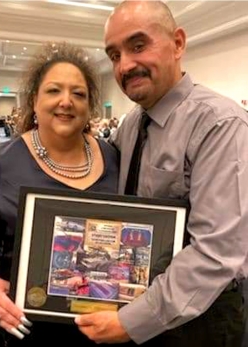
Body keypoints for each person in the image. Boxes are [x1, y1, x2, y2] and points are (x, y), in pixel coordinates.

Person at [75, 2, 248, 347]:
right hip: (138, 299)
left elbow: (216, 253)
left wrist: (130, 322)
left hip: (200, 316)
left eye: (138, 46)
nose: (124, 65)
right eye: (114, 55)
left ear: (178, 44)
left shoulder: (220, 124)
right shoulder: (130, 125)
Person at [0, 41, 119, 347]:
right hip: (31, 329)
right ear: (34, 101)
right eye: (54, 90)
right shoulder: (2, 162)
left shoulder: (114, 157)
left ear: (90, 105)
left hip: (107, 327)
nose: (66, 101)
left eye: (78, 93)